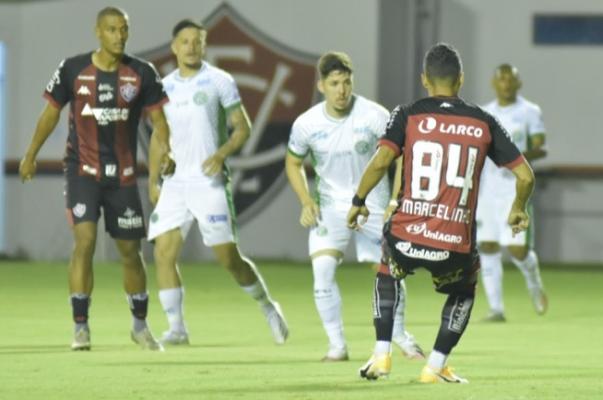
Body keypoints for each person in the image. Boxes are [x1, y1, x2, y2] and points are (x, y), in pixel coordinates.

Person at [349, 43, 535, 383]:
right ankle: (434, 366)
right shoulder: (484, 121)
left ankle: (381, 356)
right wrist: (518, 208)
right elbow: (525, 175)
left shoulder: (407, 114)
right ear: (460, 80)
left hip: (406, 235)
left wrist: (358, 200)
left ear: (424, 80)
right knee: (464, 290)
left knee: (387, 271)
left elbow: (381, 163)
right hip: (453, 245)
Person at [18, 7, 172, 351]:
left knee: (131, 253)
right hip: (82, 172)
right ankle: (81, 327)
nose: (119, 36)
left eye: (124, 30)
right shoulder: (72, 69)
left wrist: (167, 153)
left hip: (125, 177)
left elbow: (159, 124)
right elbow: (50, 114)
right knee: (84, 241)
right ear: (98, 32)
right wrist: (30, 155)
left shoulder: (141, 73)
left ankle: (139, 326)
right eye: (112, 29)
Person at [146, 19, 289, 346]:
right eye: (184, 41)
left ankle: (268, 307)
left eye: (197, 41)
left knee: (229, 259)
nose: (191, 46)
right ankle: (177, 328)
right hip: (175, 183)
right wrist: (154, 178)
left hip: (208, 183)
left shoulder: (219, 81)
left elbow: (243, 126)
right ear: (174, 47)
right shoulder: (163, 87)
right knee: (163, 253)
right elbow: (159, 136)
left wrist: (222, 153)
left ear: (204, 45)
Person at [285, 51, 423, 361]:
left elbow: (403, 156)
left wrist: (394, 200)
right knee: (322, 271)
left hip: (373, 207)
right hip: (331, 209)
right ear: (321, 86)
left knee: (390, 272)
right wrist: (306, 200)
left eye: (346, 82)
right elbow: (293, 163)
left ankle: (401, 335)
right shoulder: (306, 124)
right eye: (334, 83)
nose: (342, 90)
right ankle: (337, 346)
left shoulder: (375, 115)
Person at [477, 64, 548, 321]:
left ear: (519, 83)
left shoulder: (529, 111)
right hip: (487, 189)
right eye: (501, 79)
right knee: (487, 245)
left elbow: (541, 147)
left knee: (515, 249)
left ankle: (533, 281)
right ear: (494, 83)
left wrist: (513, 158)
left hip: (515, 189)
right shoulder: (484, 113)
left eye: (511, 79)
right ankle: (496, 308)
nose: (506, 84)